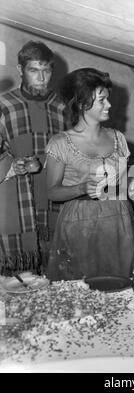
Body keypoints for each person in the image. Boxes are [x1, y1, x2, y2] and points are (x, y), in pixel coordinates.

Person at [45, 68, 134, 280]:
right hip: (79, 223)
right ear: (81, 102)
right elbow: (52, 192)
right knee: (79, 288)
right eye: (102, 100)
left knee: (120, 287)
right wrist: (80, 188)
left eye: (108, 99)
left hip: (119, 221)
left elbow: (123, 185)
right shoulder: (60, 143)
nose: (110, 105)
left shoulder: (118, 138)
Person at [0, 41, 66, 275]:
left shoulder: (62, 107)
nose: (41, 77)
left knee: (54, 273)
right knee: (20, 281)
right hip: (15, 203)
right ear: (20, 70)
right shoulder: (4, 105)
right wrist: (12, 165)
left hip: (53, 202)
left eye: (46, 70)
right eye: (33, 70)